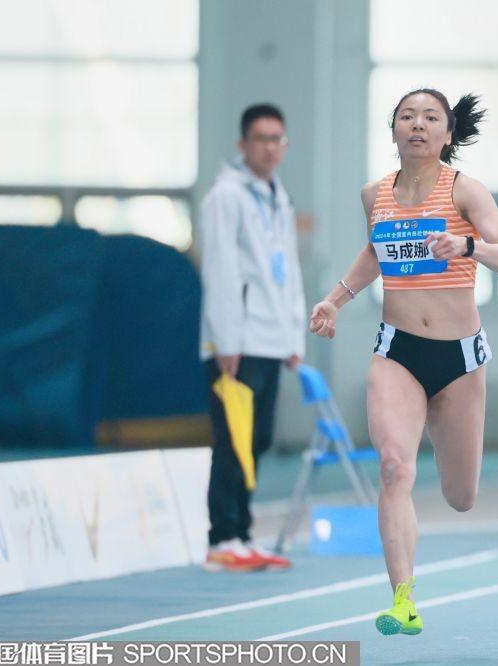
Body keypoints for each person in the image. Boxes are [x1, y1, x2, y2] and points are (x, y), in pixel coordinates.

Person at [308, 89, 498, 635]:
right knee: (393, 468)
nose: (418, 125)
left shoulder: (465, 191)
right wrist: (334, 300)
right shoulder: (374, 194)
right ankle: (402, 600)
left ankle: (444, 438)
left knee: (461, 496)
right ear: (394, 130)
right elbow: (374, 252)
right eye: (407, 117)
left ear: (448, 134)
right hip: (397, 352)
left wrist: (467, 247)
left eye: (430, 118)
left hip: (459, 359)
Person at [199, 103, 306, 572]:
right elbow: (220, 271)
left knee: (257, 440)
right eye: (261, 139)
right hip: (237, 344)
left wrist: (293, 338)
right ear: (243, 144)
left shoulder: (278, 198)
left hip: (270, 341)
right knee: (232, 439)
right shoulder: (226, 197)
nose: (269, 147)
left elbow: (289, 273)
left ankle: (242, 533)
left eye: (277, 139)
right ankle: (222, 536)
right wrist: (226, 341)